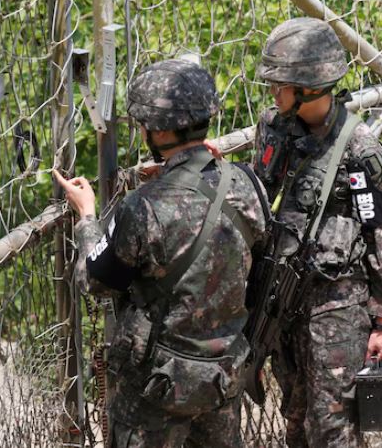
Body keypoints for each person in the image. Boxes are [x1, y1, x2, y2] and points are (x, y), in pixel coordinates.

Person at [53, 59, 266, 447]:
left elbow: (93, 279)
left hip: (157, 384)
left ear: (160, 130)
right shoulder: (247, 184)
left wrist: (86, 217)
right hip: (223, 374)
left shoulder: (143, 206)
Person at [252, 18, 382, 447]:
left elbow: (380, 242)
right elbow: (258, 197)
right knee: (295, 421)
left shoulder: (362, 153)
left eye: (279, 84)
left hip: (337, 310)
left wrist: (381, 324)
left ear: (308, 87)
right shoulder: (275, 127)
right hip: (284, 300)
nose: (272, 93)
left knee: (334, 428)